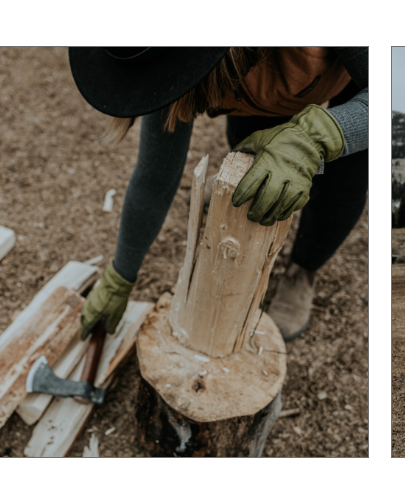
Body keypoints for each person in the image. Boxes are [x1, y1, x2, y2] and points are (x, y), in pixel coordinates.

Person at [68, 47, 368, 342]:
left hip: (352, 77)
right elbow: (155, 177)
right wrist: (120, 276)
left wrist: (318, 135)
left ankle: (302, 271)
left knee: (341, 178)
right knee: (251, 158)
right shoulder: (159, 53)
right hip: (260, 78)